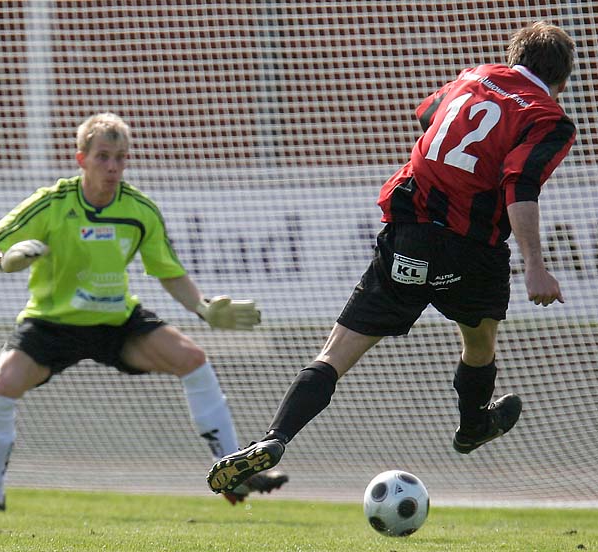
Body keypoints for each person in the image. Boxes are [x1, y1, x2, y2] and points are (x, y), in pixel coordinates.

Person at [207, 21, 576, 495]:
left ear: (513, 57)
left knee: (334, 353)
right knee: (479, 342)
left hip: (408, 233)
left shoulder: (472, 76)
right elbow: (519, 183)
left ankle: (275, 438)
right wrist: (535, 265)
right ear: (562, 80)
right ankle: (472, 426)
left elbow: (428, 116)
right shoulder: (549, 118)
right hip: (470, 250)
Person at [0, 112, 287, 514]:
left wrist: (204, 309)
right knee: (4, 381)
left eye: (120, 157)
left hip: (117, 323)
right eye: (102, 157)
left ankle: (234, 472)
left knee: (193, 358)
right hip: (51, 323)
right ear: (81, 159)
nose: (113, 167)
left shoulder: (139, 210)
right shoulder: (51, 203)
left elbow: (170, 273)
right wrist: (1, 261)